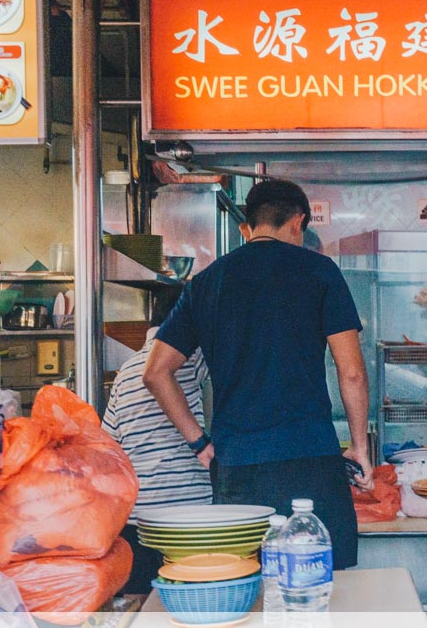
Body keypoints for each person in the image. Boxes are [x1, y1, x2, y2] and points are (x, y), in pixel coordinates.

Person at [143, 178, 373, 570]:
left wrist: (200, 443)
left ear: (246, 227)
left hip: (238, 467)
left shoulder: (206, 282)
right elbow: (351, 373)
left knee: (248, 579)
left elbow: (156, 373)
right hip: (311, 461)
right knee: (318, 584)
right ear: (298, 222)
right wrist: (359, 448)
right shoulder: (320, 272)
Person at [103, 303, 212, 594]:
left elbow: (110, 446)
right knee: (192, 601)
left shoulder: (124, 372)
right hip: (189, 513)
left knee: (144, 605)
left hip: (139, 520)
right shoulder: (190, 359)